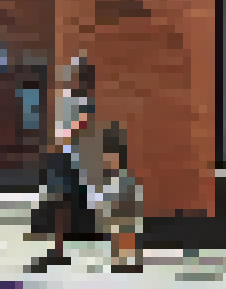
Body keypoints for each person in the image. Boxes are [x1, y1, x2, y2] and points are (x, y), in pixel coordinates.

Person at [26, 56, 98, 273]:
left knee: (60, 202)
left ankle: (58, 251)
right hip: (62, 156)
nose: (71, 78)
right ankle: (57, 249)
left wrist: (60, 144)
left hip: (68, 158)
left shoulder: (84, 102)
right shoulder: (69, 97)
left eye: (76, 75)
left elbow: (78, 129)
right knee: (57, 203)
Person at [87, 123, 146, 273]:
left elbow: (132, 215)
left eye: (112, 155)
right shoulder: (102, 182)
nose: (108, 159)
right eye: (106, 155)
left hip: (123, 221)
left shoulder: (126, 182)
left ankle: (124, 256)